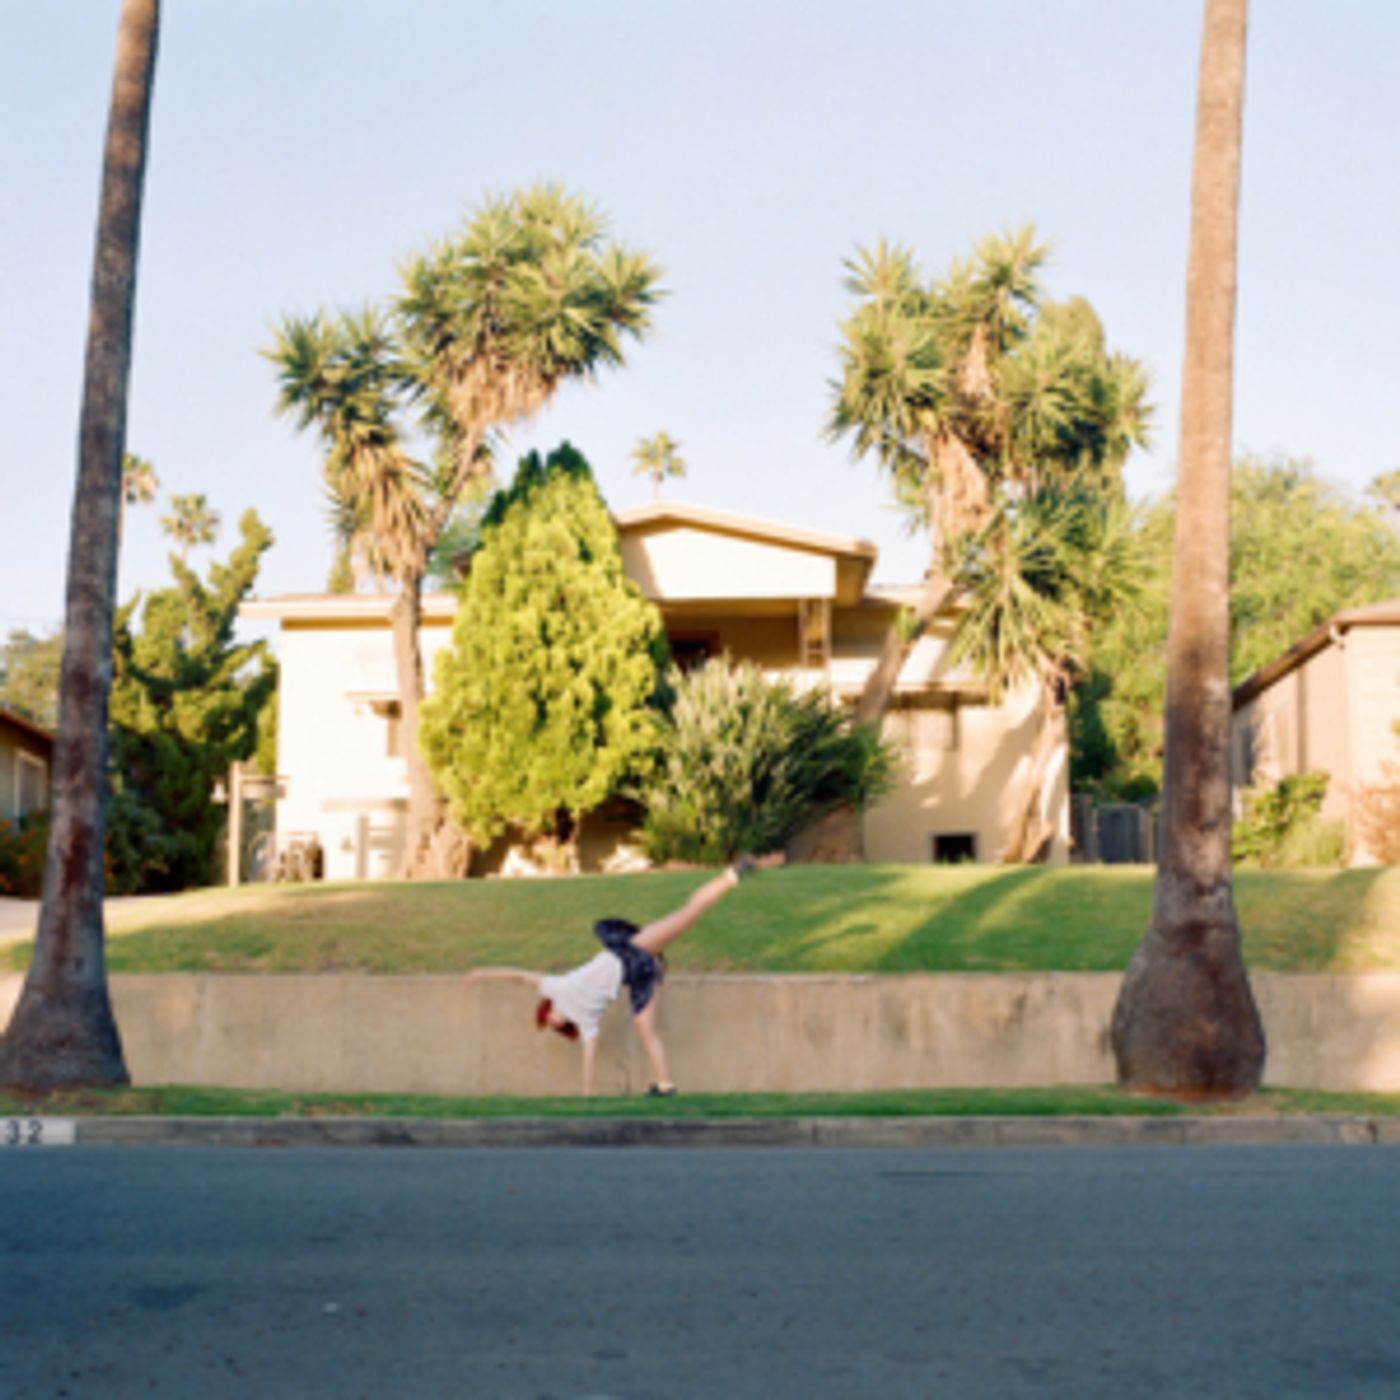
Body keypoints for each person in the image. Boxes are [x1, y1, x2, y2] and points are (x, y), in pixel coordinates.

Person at [464, 854, 781, 1096]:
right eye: (550, 1026)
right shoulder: (586, 1020)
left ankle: (731, 876)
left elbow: (519, 977)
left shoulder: (556, 988)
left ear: (547, 1008)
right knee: (644, 1027)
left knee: (687, 915)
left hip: (630, 951)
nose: (550, 1022)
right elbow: (589, 1054)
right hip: (637, 974)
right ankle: (666, 1086)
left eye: (545, 1018)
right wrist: (587, 1095)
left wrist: (482, 973)